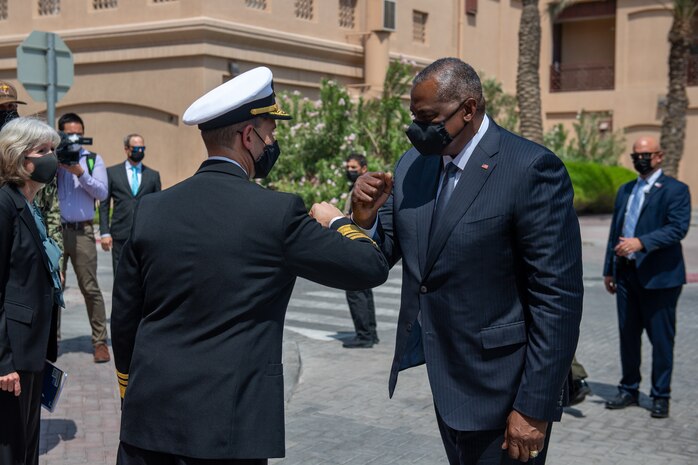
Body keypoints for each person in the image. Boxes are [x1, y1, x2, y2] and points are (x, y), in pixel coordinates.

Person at [110, 66, 389, 465]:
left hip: (150, 417)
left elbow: (124, 319)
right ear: (247, 136)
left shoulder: (151, 209)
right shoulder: (277, 213)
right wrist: (340, 220)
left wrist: (129, 389)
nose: (271, 143)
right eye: (269, 134)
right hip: (230, 425)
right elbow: (370, 266)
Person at [351, 58, 583, 464]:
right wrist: (364, 218)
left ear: (469, 110)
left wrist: (534, 407)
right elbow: (381, 255)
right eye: (414, 117)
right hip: (447, 382)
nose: (417, 128)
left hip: (505, 391)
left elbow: (557, 298)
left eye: (428, 117)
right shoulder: (412, 167)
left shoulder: (529, 168)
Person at [603, 136, 691, 419]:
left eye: (645, 154)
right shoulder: (626, 190)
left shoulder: (676, 190)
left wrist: (642, 242)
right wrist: (608, 268)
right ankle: (629, 388)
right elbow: (615, 231)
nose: (639, 159)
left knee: (661, 340)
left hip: (660, 278)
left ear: (659, 156)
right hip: (626, 275)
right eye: (635, 155)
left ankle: (660, 395)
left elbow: (677, 229)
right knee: (628, 336)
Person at [0, 117, 63, 465]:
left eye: (53, 150)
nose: (51, 158)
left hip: (33, 349)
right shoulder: (4, 205)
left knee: (27, 449)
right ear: (18, 157)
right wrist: (3, 361)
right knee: (11, 449)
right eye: (43, 151)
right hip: (13, 357)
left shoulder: (30, 205)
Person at [56, 112, 110, 363]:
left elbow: (102, 191)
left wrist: (80, 172)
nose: (74, 138)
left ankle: (99, 342)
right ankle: (50, 341)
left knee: (90, 288)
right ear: (60, 134)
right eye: (69, 133)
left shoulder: (91, 160)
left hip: (83, 232)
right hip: (56, 231)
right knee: (53, 288)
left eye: (78, 133)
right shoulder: (52, 159)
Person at [0, 80, 63, 256]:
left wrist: (55, 256)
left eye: (11, 106)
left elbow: (51, 208)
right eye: (2, 108)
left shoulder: (35, 150)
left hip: (35, 240)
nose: (7, 112)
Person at [99, 133, 161, 274]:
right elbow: (104, 204)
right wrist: (104, 232)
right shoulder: (112, 173)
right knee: (120, 273)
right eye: (135, 148)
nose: (139, 152)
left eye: (142, 148)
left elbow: (158, 206)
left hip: (145, 233)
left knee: (143, 274)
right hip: (120, 232)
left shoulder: (153, 175)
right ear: (126, 149)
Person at [342, 153, 379, 348]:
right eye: (348, 167)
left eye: (353, 168)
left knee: (355, 291)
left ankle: (364, 335)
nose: (350, 171)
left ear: (364, 168)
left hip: (357, 243)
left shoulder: (366, 189)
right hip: (361, 244)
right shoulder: (359, 187)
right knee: (364, 291)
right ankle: (370, 333)